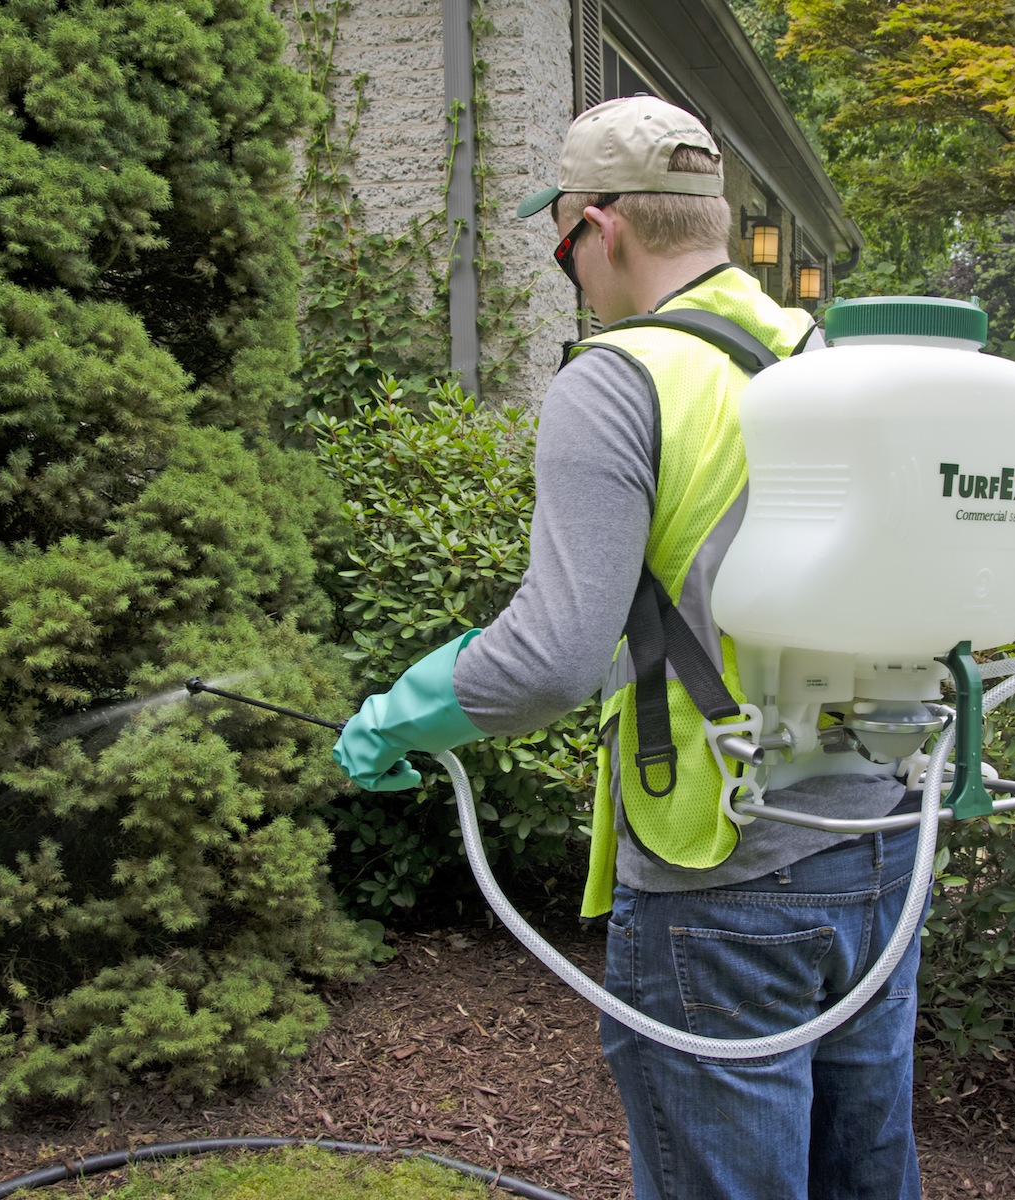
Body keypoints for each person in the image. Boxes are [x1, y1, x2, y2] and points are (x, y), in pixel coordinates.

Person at [333, 94, 923, 1200]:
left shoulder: (620, 377)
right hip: (878, 831)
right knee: (864, 1178)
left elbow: (549, 660)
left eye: (562, 248)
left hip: (724, 865)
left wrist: (399, 713)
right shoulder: (825, 352)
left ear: (600, 229)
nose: (569, 273)